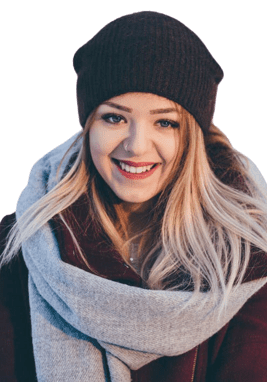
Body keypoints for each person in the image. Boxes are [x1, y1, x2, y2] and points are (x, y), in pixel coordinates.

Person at [1, 10, 267, 382]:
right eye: (114, 118)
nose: (136, 145)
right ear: (87, 125)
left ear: (192, 137)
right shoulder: (23, 247)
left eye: (165, 122)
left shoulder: (244, 262)